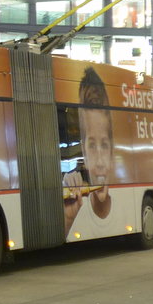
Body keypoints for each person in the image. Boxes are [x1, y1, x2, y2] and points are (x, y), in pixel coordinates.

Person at [63, 67, 114, 236]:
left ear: (112, 152)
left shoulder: (125, 204)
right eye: (92, 146)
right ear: (83, 150)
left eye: (104, 145)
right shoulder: (73, 202)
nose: (99, 161)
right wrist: (67, 220)